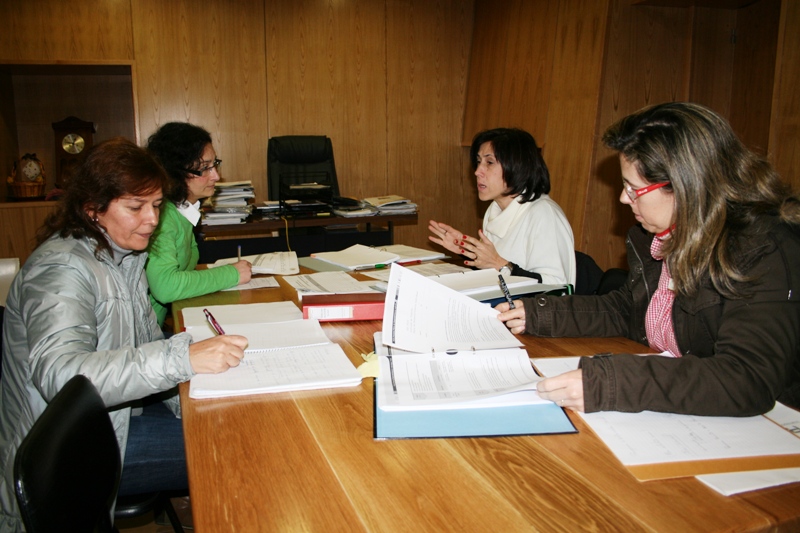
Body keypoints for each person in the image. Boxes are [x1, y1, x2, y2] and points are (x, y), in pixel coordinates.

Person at [0, 138, 248, 531]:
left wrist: (197, 365)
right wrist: (183, 359)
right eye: (135, 207)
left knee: (229, 418)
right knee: (234, 445)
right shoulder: (62, 269)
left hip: (112, 418)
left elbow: (144, 343)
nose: (152, 219)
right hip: (62, 454)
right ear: (92, 209)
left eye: (155, 205)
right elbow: (62, 378)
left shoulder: (122, 256)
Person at [497, 102, 800, 417]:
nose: (623, 198)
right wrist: (537, 314)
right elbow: (627, 310)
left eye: (634, 188)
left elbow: (746, 378)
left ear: (685, 186)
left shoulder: (765, 248)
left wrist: (611, 382)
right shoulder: (662, 236)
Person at [428, 128, 575, 286]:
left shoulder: (544, 214)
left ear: (518, 167)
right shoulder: (495, 209)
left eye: (489, 163)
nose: (477, 172)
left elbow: (557, 286)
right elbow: (493, 272)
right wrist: (467, 250)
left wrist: (500, 264)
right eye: (478, 162)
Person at [145, 122, 252, 327]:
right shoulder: (162, 216)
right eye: (204, 168)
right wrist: (232, 274)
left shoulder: (183, 211)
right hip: (146, 340)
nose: (216, 176)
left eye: (214, 164)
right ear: (174, 172)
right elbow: (166, 287)